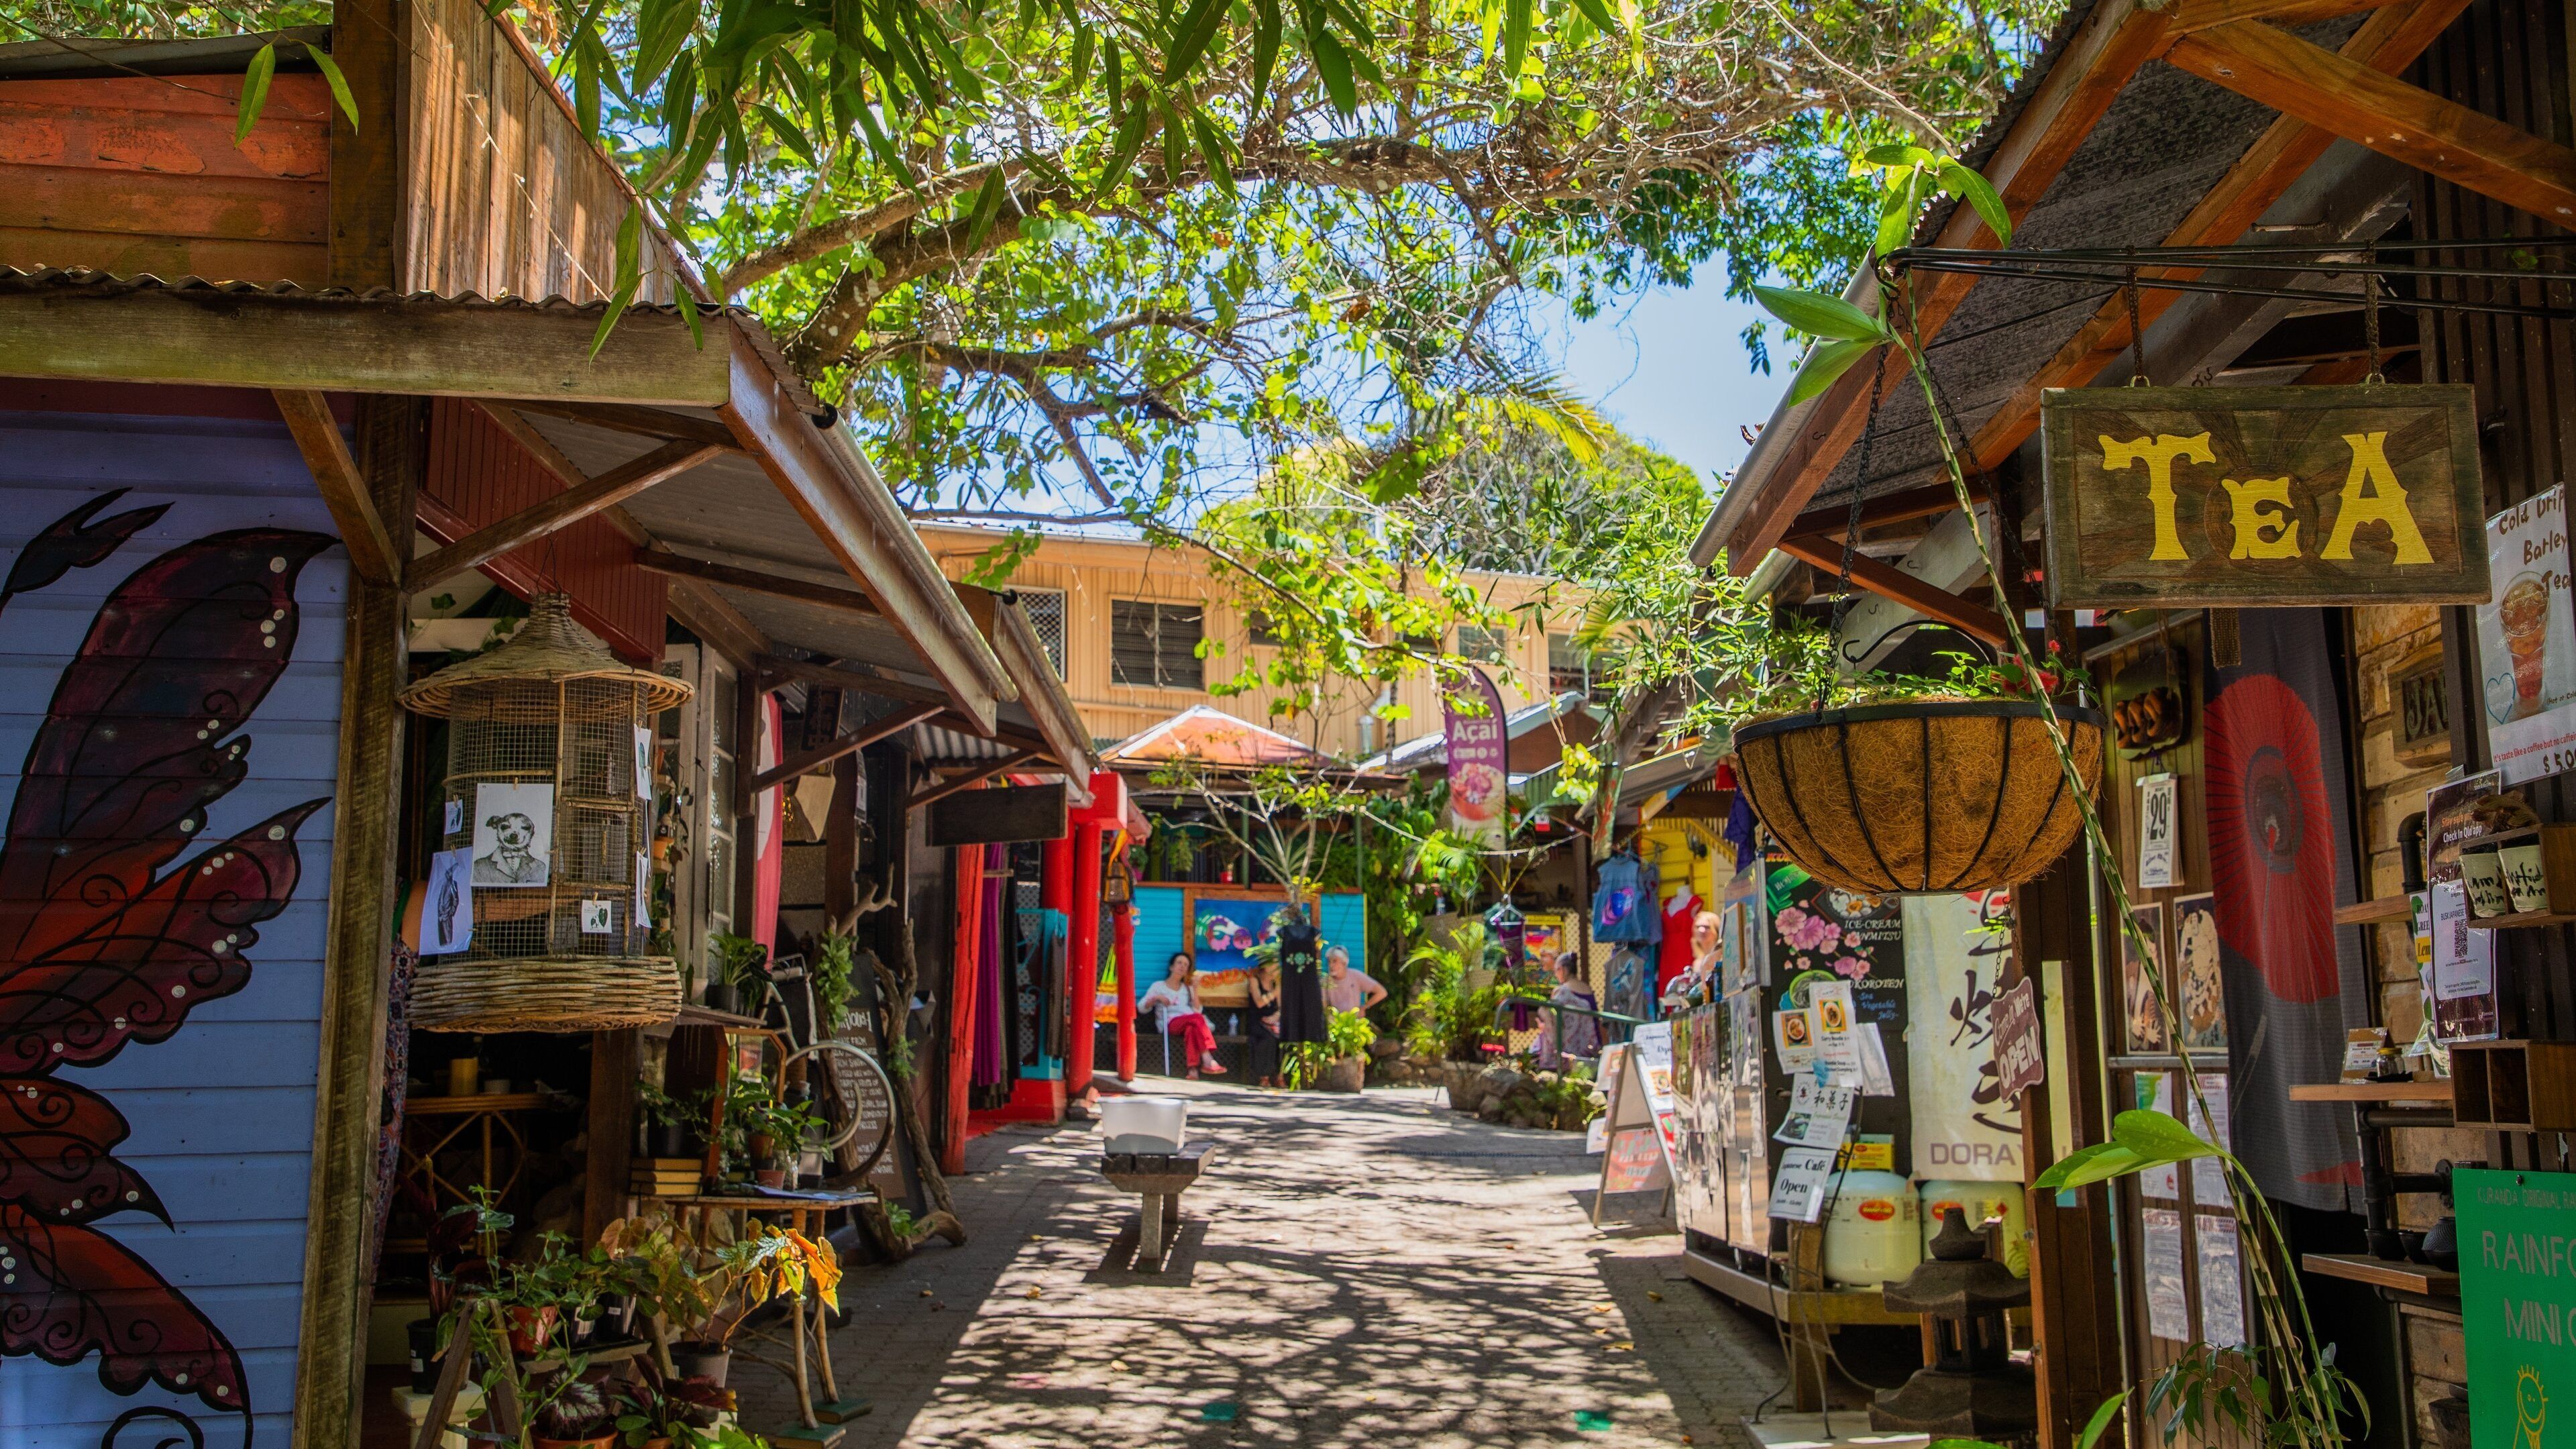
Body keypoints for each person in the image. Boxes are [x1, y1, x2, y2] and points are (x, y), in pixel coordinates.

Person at [1139, 951, 1226, 1079]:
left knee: (1192, 1029)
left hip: (1190, 1022)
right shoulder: (1158, 986)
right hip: (1170, 1022)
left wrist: (1195, 990)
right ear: (1171, 967)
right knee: (1197, 1019)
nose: (1183, 966)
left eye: (1186, 965)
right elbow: (1142, 1007)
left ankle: (1193, 1070)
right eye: (1179, 963)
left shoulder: (1186, 989)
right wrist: (1157, 998)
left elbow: (1197, 1010)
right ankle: (1207, 1058)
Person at [1537, 951, 1601, 1068]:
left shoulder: (1561, 991)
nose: (1556, 975)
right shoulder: (1587, 988)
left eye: (1556, 971)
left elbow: (1554, 1020)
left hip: (1570, 1048)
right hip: (1591, 1041)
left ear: (1562, 970)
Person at [1662, 910, 1723, 1010]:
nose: (1702, 930)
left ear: (1715, 930)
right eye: (1698, 927)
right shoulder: (1698, 959)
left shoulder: (1719, 955)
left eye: (1707, 927)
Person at [1246, 958, 1283, 1088]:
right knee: (1267, 1038)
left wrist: (1276, 1016)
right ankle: (1264, 1077)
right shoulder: (1254, 981)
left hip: (1273, 1021)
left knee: (1284, 1037)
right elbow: (1259, 1002)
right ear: (1266, 966)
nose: (1276, 968)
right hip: (1258, 1020)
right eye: (1274, 965)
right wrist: (1274, 993)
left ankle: (1280, 1076)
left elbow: (1280, 1007)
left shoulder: (1276, 983)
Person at [1322, 945, 1387, 1015]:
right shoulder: (1325, 982)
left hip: (1355, 1020)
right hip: (1335, 1022)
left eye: (1334, 961)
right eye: (1329, 962)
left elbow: (1382, 992)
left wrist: (1364, 1007)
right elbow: (1323, 1006)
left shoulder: (1356, 976)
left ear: (1344, 963)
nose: (1331, 965)